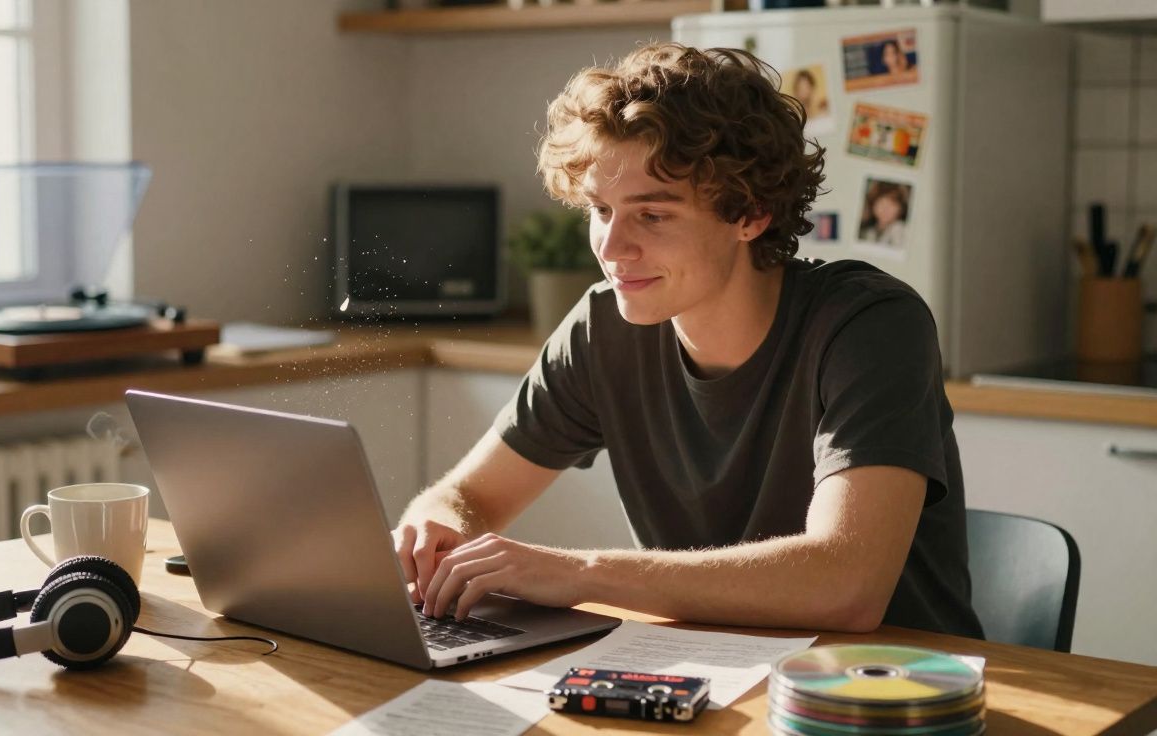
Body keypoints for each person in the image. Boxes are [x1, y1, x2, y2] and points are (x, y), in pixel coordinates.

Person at [392, 43, 983, 639]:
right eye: (601, 210)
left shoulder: (869, 325)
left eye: (653, 215)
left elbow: (846, 586)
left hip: (890, 693)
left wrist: (582, 573)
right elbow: (467, 495)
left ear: (749, 215)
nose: (613, 249)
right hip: (705, 672)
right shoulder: (603, 328)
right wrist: (436, 524)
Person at [859, 181, 909, 248]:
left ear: (901, 209)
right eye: (882, 203)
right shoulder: (868, 231)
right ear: (873, 205)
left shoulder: (899, 229)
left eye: (892, 204)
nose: (885, 209)